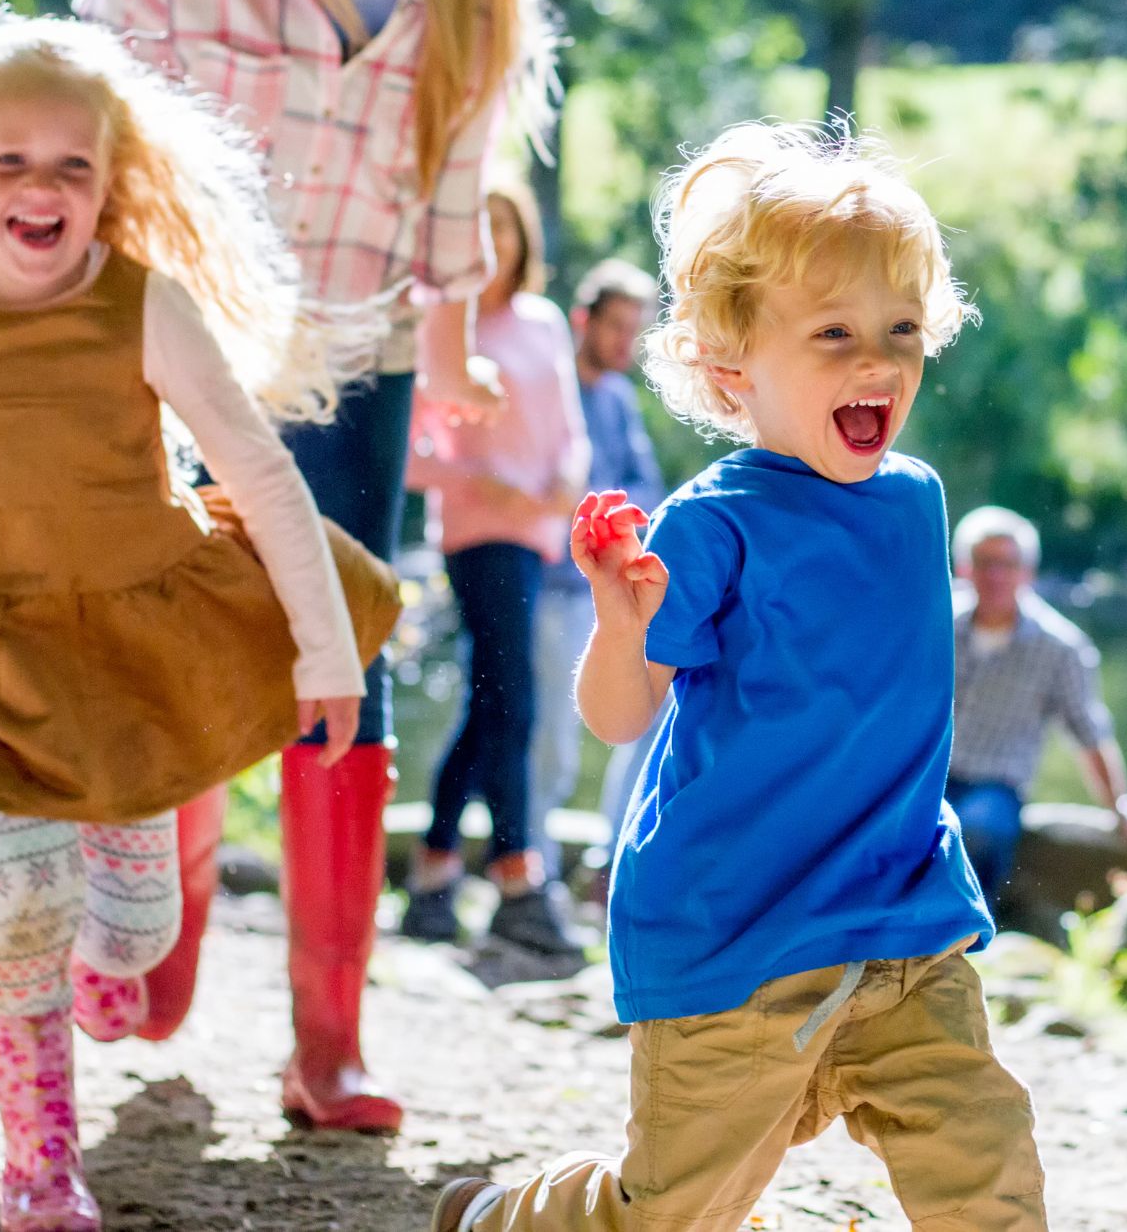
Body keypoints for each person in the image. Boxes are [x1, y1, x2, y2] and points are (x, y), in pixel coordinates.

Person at [0, 9, 390, 1232]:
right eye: (8, 161)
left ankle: (105, 974)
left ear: (111, 182)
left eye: (72, 163)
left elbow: (262, 474)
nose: (40, 187)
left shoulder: (141, 305)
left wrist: (327, 654)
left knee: (124, 940)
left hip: (128, 661)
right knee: (16, 913)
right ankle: (39, 1167)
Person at [431, 123, 1049, 1232]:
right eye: (832, 333)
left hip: (899, 924)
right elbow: (618, 717)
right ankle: (507, 1220)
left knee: (985, 1164)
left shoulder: (916, 500)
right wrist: (623, 625)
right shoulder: (711, 526)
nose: (876, 361)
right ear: (731, 369)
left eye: (899, 329)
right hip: (734, 939)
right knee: (667, 1215)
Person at [73, 0, 556, 1133]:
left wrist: (457, 356)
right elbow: (67, 121)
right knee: (177, 638)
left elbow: (454, 203)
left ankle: (326, 1046)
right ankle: (159, 938)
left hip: (357, 358)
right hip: (175, 348)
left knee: (340, 648)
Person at [402, 179, 588, 954]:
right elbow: (408, 455)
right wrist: (472, 480)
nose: (494, 241)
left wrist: (570, 483)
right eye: (482, 228)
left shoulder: (543, 322)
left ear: (523, 241)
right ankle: (517, 877)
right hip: (479, 534)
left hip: (538, 530)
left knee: (493, 703)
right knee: (513, 698)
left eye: (506, 227)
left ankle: (436, 871)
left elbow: (569, 428)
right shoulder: (444, 327)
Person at [948, 506, 1127, 906]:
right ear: (964, 568)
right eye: (984, 562)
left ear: (1027, 573)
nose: (995, 575)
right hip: (930, 776)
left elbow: (1089, 734)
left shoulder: (1061, 648)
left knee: (974, 832)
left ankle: (964, 939)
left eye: (1007, 564)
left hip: (995, 785)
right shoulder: (937, 622)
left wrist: (1122, 809)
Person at [529, 258, 665, 880]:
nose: (623, 343)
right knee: (550, 740)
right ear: (583, 319)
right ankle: (536, 873)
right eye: (615, 326)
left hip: (608, 586)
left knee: (646, 720)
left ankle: (615, 859)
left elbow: (645, 485)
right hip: (550, 585)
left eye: (633, 330)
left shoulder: (618, 400)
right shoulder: (548, 387)